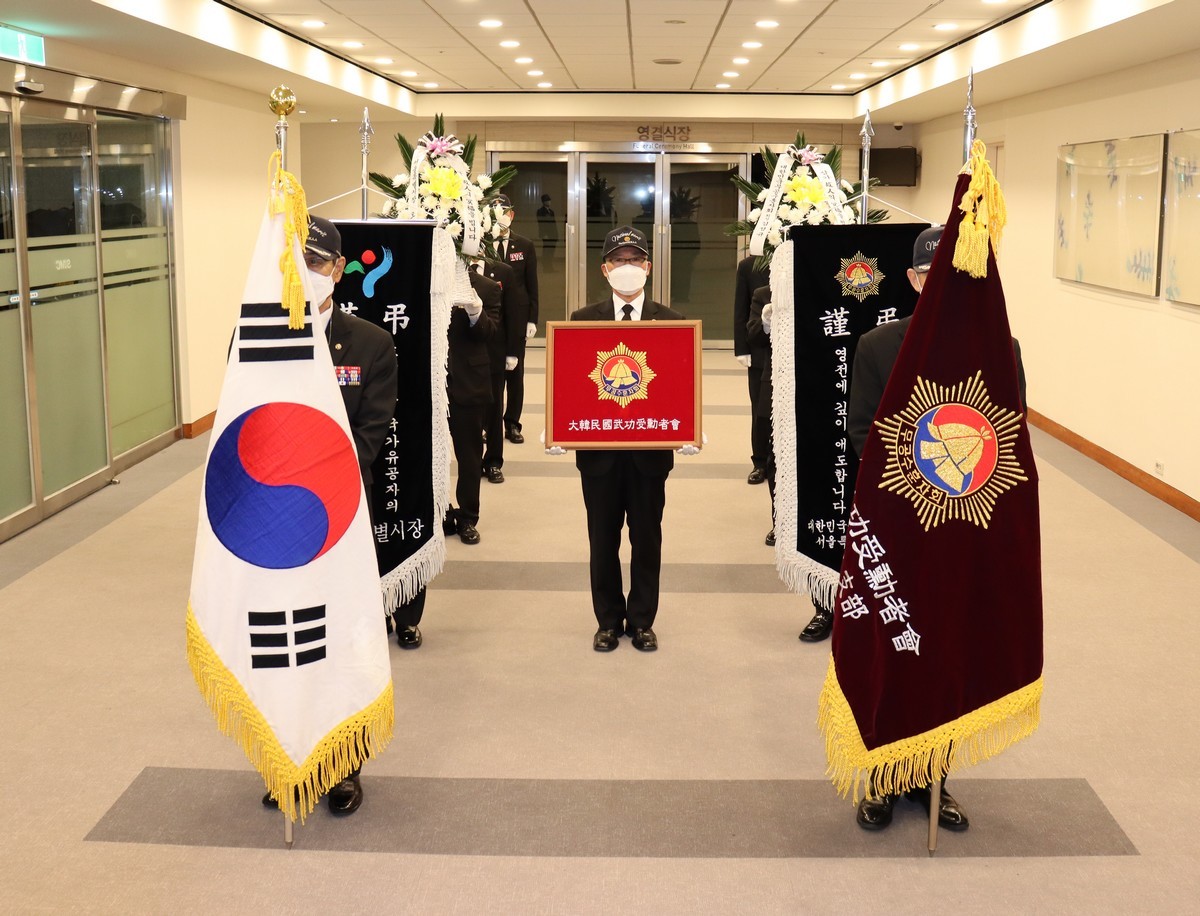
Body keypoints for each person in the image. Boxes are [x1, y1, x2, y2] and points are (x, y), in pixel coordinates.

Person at [848, 224, 1026, 833]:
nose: (942, 286)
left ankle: (933, 780)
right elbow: (862, 436)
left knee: (948, 651)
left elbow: (1010, 439)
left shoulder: (1000, 349)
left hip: (964, 530)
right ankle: (882, 776)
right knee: (894, 648)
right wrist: (915, 488)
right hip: (898, 527)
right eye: (930, 276)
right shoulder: (878, 346)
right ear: (913, 280)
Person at [263, 215, 398, 815]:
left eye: (316, 263)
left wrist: (320, 487)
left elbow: (371, 433)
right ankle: (286, 760)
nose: (306, 273)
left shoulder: (370, 343)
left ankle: (343, 765)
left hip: (339, 517)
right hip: (272, 519)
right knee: (283, 639)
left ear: (339, 270)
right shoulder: (257, 335)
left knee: (342, 638)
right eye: (296, 262)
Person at [569, 226, 687, 652]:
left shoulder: (672, 322)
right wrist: (559, 424)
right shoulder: (582, 321)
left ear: (648, 267)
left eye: (635, 259)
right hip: (598, 453)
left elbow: (678, 385)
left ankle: (641, 620)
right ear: (604, 269)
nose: (627, 267)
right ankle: (606, 621)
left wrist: (689, 427)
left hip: (649, 454)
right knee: (602, 538)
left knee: (646, 538)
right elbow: (573, 383)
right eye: (619, 260)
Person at [444, 266, 500, 545]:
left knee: (469, 456)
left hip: (469, 383)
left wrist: (475, 311)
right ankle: (438, 512)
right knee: (429, 453)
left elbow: (489, 334)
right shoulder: (423, 279)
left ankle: (467, 516)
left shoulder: (486, 287)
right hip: (431, 383)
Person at [494, 194, 539, 444]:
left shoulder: (524, 245)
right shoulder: (481, 244)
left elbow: (532, 285)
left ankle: (512, 423)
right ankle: (489, 423)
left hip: (517, 317)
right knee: (491, 373)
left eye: (504, 212)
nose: (499, 216)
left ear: (511, 215)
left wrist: (532, 318)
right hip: (490, 315)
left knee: (515, 372)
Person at [478, 257, 527, 484]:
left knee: (494, 409)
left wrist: (512, 352)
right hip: (463, 354)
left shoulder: (503, 272)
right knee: (468, 414)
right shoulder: (452, 268)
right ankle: (473, 462)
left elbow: (513, 314)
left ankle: (493, 461)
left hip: (494, 352)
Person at [733, 256, 772, 488]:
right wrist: (741, 348)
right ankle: (760, 462)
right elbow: (741, 308)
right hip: (759, 350)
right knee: (759, 410)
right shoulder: (750, 266)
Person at [536, 193, 558, 261]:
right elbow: (541, 224)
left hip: (553, 234)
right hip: (546, 234)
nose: (549, 202)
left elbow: (554, 224)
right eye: (547, 200)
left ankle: (549, 264)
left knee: (551, 250)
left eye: (549, 200)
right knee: (546, 250)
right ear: (544, 202)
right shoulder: (540, 211)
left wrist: (556, 234)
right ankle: (546, 264)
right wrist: (543, 234)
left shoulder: (551, 212)